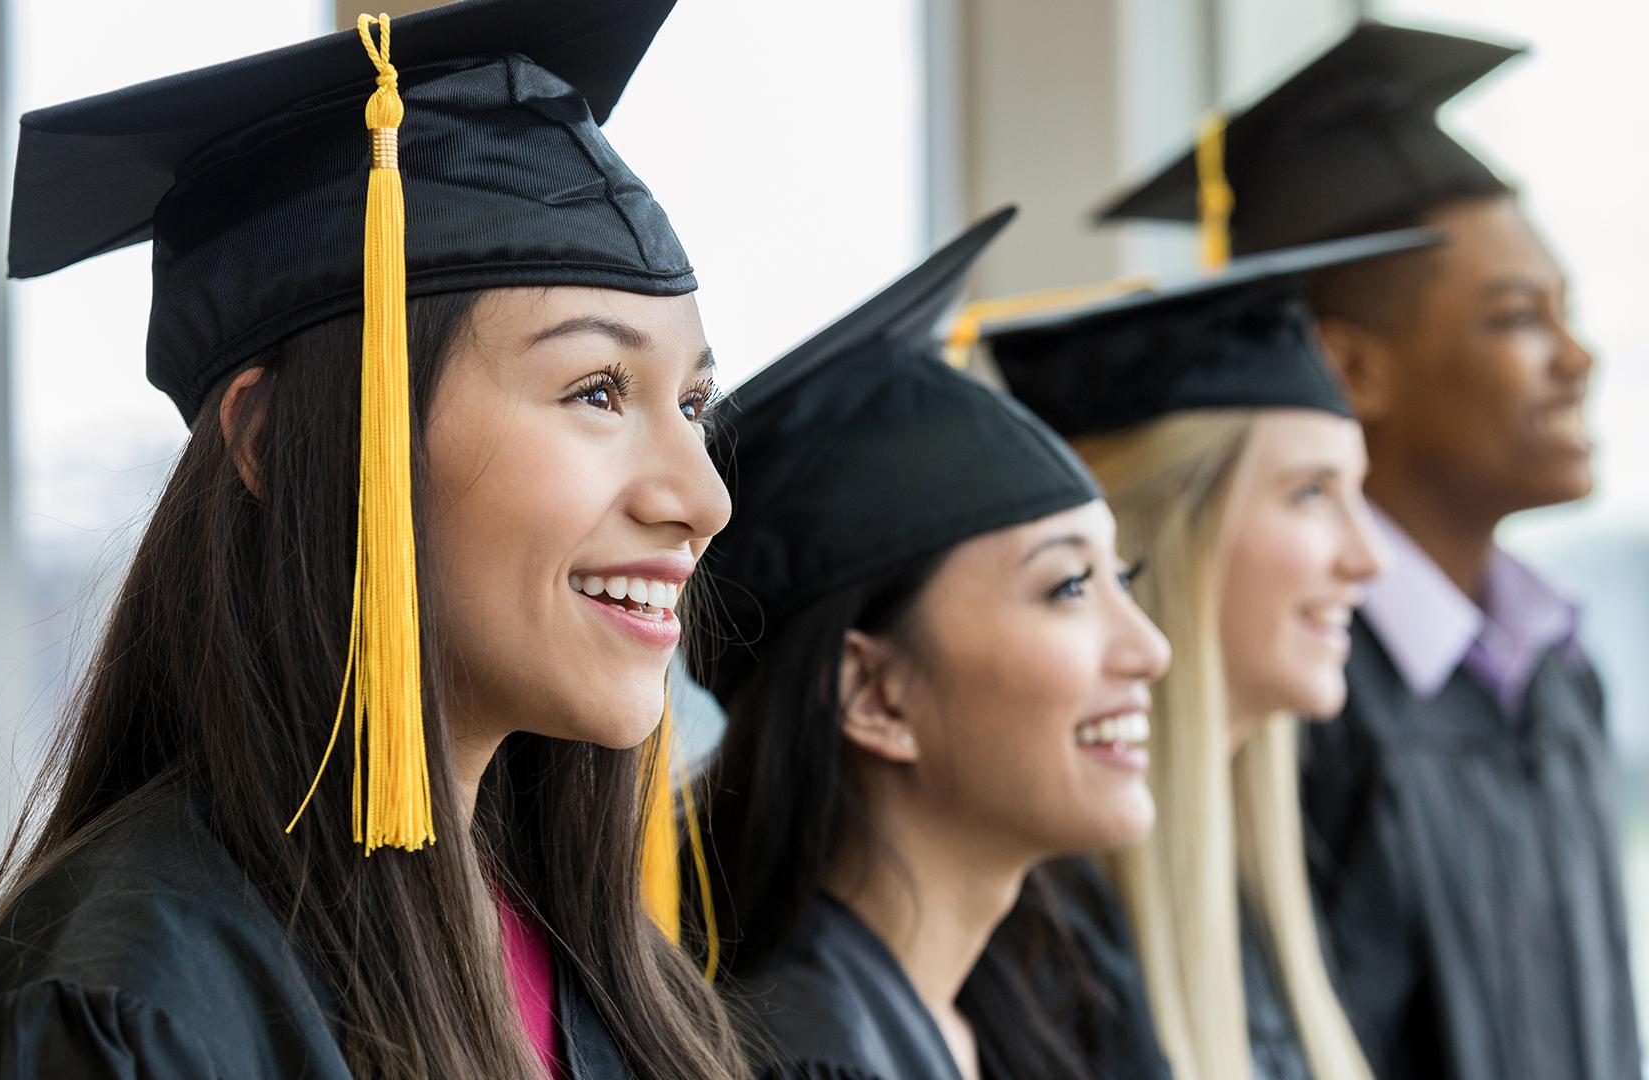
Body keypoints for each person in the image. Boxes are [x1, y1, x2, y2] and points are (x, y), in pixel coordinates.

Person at [0, 1, 748, 1076]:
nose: (702, 498)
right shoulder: (118, 1016)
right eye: (594, 390)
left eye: (694, 405)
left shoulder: (602, 981)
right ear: (275, 438)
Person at [1099, 22, 1639, 1079]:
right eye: (1520, 318)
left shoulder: (1559, 673)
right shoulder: (1285, 697)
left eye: (1566, 313)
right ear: (1350, 368)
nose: (1578, 358)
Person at [689, 207, 1172, 1080]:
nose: (1151, 649)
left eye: (1121, 581)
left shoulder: (1026, 1021)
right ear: (876, 697)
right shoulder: (801, 1058)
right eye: (1068, 586)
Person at [969, 231, 1435, 1080]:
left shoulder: (1270, 900)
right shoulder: (1041, 948)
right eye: (1310, 494)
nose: (1369, 557)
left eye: (1355, 494)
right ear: (1159, 533)